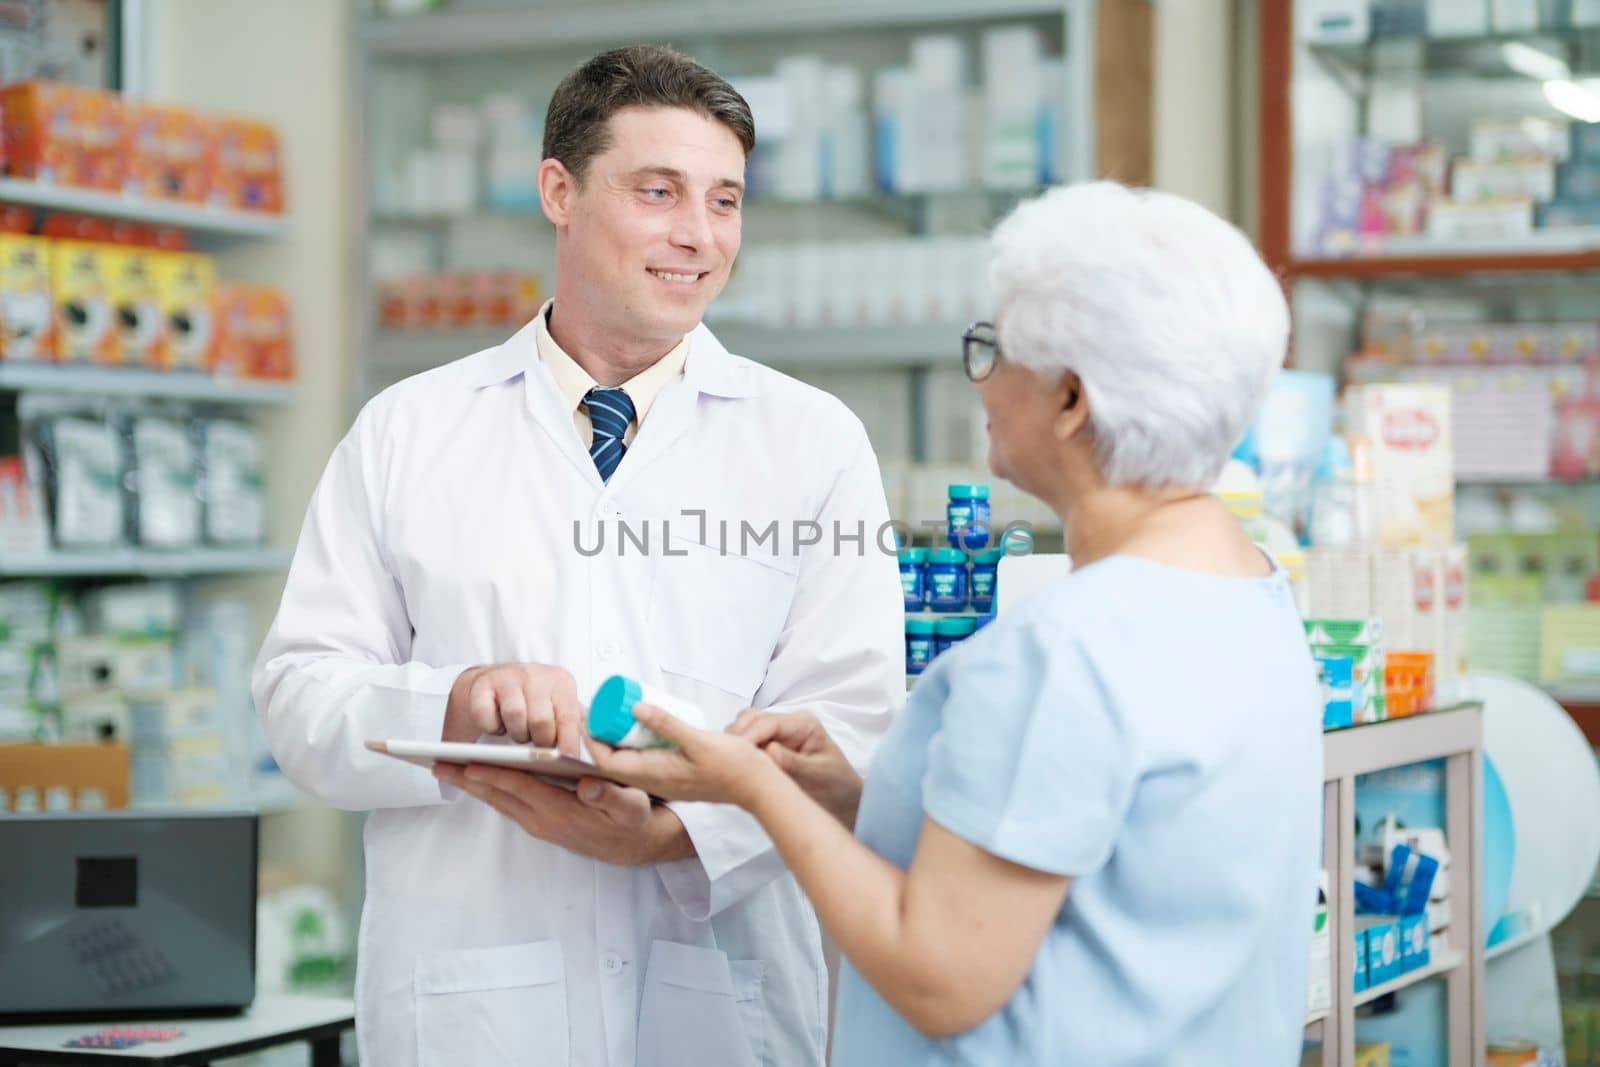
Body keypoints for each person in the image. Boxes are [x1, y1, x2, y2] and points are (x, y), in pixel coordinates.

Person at [447, 182, 1323, 1065]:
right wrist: (854, 794)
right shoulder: (1250, 594)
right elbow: (1081, 854)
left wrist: (759, 791)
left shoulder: (1061, 654)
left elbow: (937, 974)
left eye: (996, 350)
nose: (981, 379)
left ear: (1069, 399)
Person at [253, 45, 904, 1067]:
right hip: (473, 1013)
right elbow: (299, 699)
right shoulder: (409, 430)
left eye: (725, 200)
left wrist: (675, 834)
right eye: (658, 191)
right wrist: (457, 703)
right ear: (559, 189)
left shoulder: (812, 442)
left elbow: (857, 728)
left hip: (718, 1000)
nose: (698, 235)